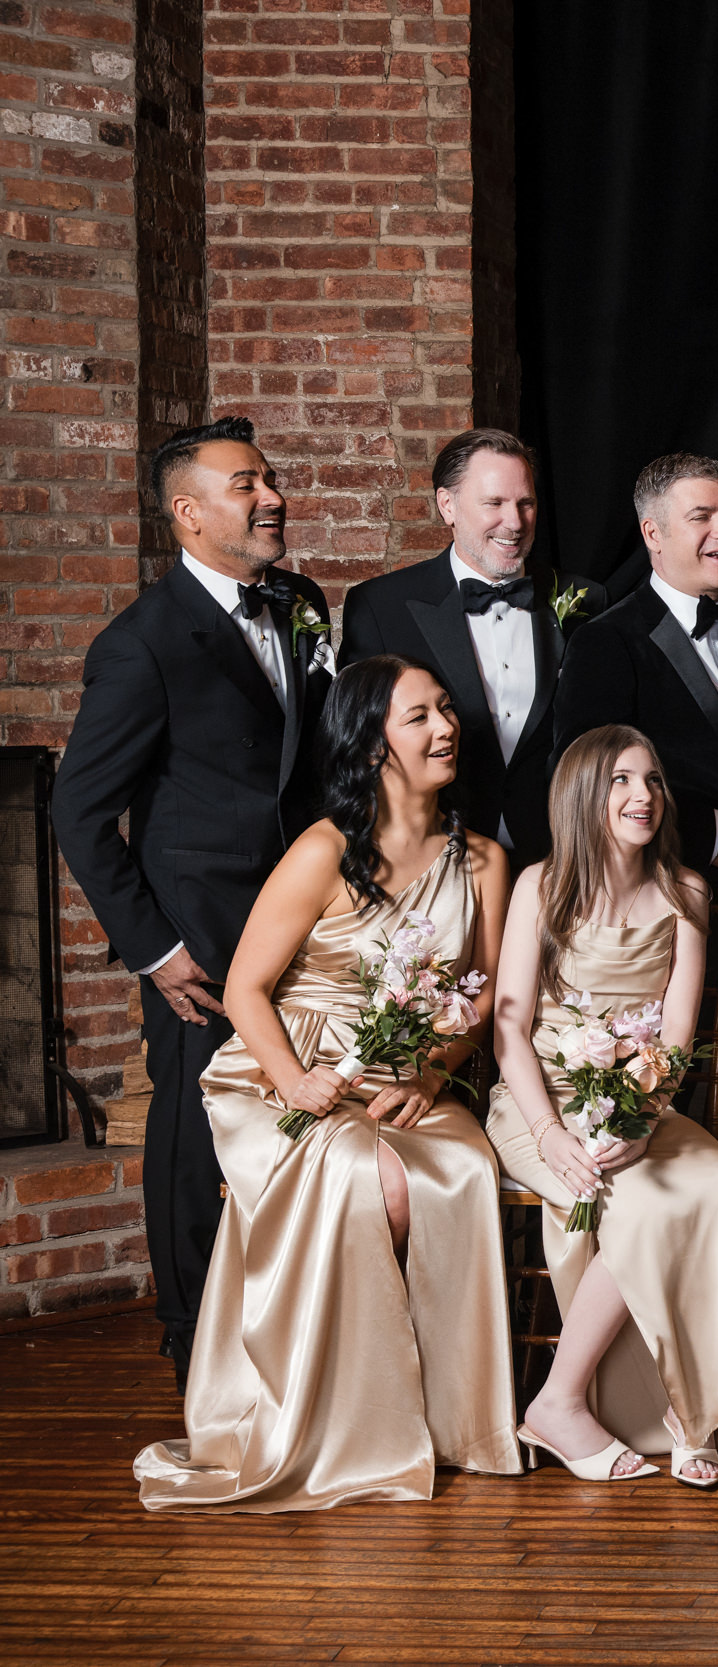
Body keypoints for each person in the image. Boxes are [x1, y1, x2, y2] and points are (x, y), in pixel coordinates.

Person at [134, 655, 519, 1510]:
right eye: (418, 716)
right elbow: (243, 989)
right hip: (298, 1068)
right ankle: (349, 1422)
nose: (444, 727)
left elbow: (481, 995)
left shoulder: (485, 860)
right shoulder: (324, 849)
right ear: (371, 742)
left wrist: (431, 1070)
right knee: (366, 1177)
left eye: (446, 710)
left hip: (408, 1076)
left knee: (460, 1173)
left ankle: (448, 1419)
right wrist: (299, 1081)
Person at [55, 415, 333, 1393]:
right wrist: (155, 948)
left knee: (302, 1102)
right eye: (248, 483)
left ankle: (295, 1315)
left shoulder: (300, 601)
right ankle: (189, 1331)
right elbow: (80, 813)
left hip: (303, 911)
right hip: (199, 934)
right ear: (190, 512)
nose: (273, 496)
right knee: (191, 1125)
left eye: (271, 478)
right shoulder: (140, 642)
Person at [483, 726, 718, 1488]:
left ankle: (691, 1406)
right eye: (620, 780)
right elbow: (509, 1028)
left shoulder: (686, 892)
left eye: (651, 780)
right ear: (584, 793)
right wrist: (547, 1132)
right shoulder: (539, 887)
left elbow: (675, 1037)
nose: (643, 796)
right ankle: (565, 1402)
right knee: (646, 1210)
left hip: (640, 1100)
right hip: (537, 1100)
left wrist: (641, 1121)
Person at [340, 428, 607, 867]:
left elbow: (602, 737)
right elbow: (360, 749)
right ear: (448, 505)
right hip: (434, 857)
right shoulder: (380, 607)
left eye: (526, 503)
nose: (516, 523)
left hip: (559, 856)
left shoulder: (586, 600)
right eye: (494, 503)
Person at [552, 453, 718, 887]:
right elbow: (583, 787)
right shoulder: (607, 642)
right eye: (701, 516)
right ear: (653, 533)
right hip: (678, 893)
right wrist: (708, 836)